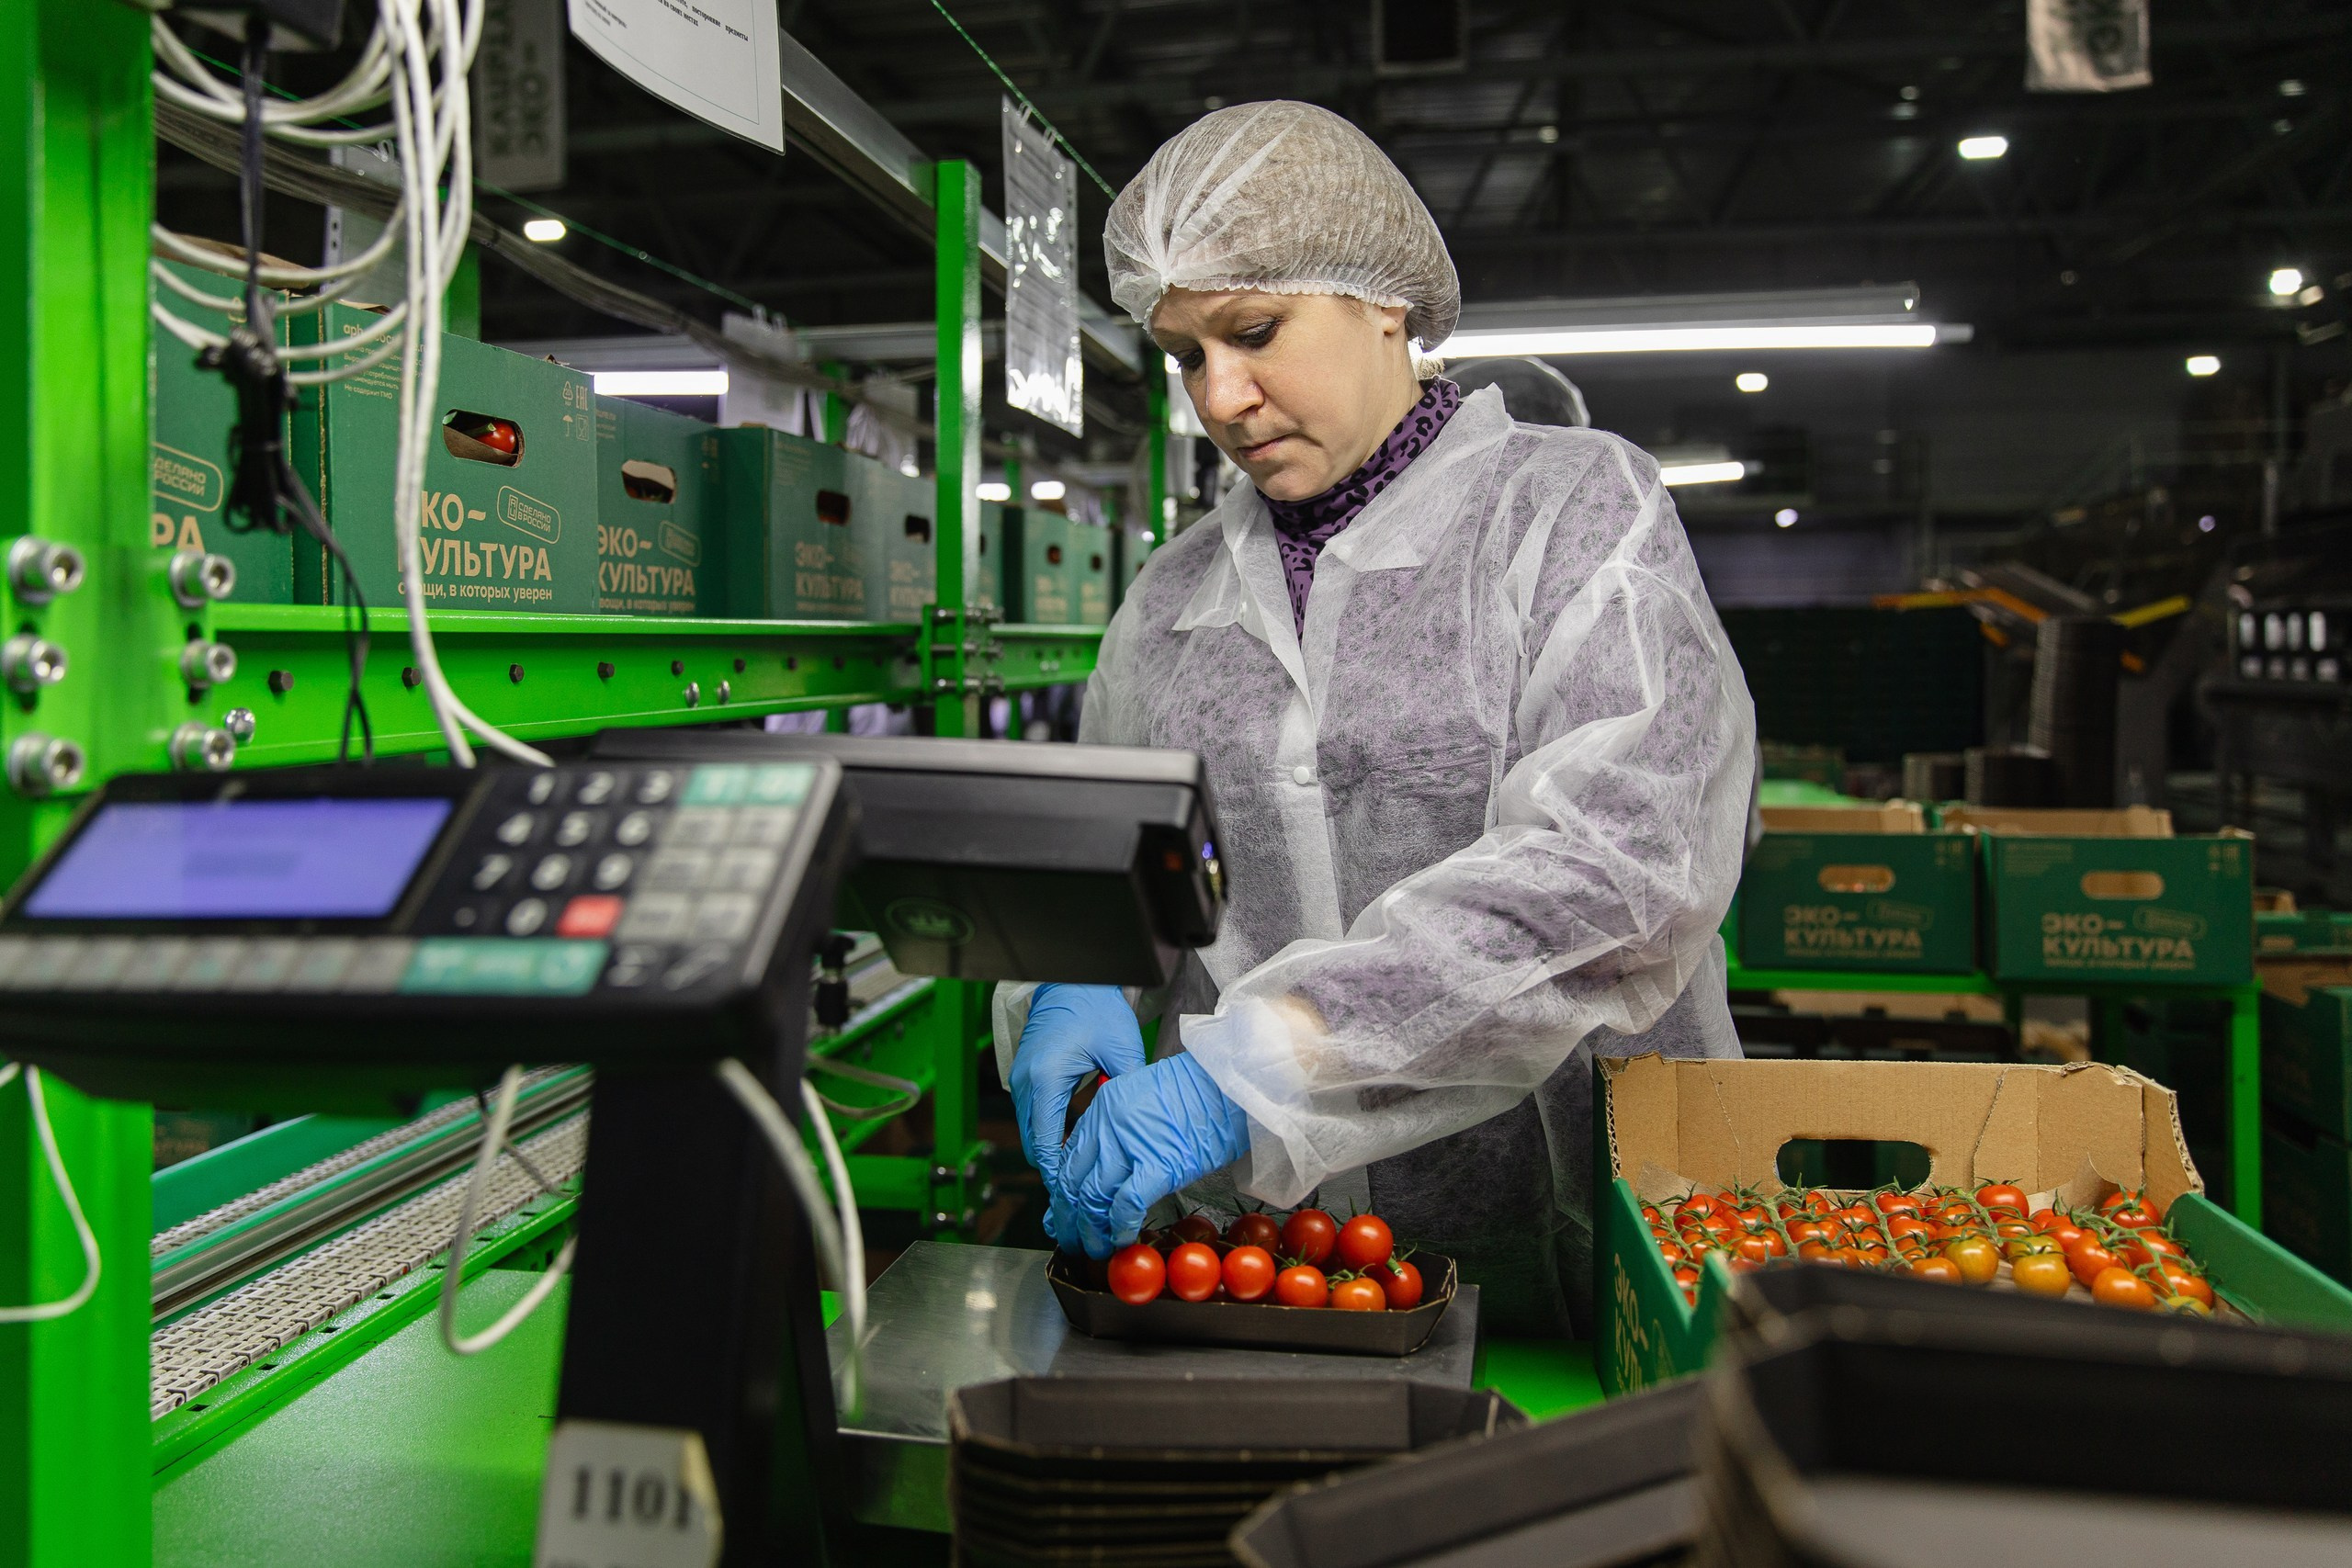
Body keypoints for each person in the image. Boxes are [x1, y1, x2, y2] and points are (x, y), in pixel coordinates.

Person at [997, 101, 1756, 1334]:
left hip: (1578, 1232)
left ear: (1385, 303)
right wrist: (1077, 972)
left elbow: (1620, 871)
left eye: (1252, 332)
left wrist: (1261, 1065)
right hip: (1271, 1274)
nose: (1221, 396)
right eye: (1187, 353)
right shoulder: (1174, 594)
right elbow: (1121, 847)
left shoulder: (1571, 515)